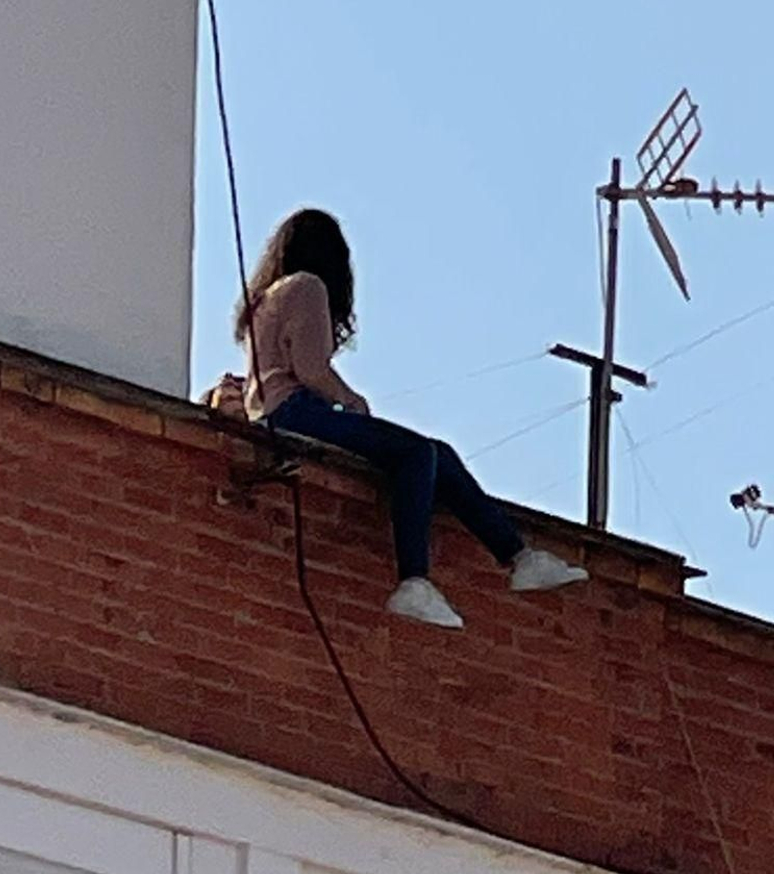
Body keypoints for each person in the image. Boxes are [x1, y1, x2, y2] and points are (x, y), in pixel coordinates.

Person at [235, 209, 587, 629]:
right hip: (294, 412)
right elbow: (309, 368)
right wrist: (350, 399)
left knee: (439, 454)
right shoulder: (307, 287)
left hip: (275, 412)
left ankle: (519, 556)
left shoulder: (265, 299)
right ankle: (415, 580)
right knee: (416, 453)